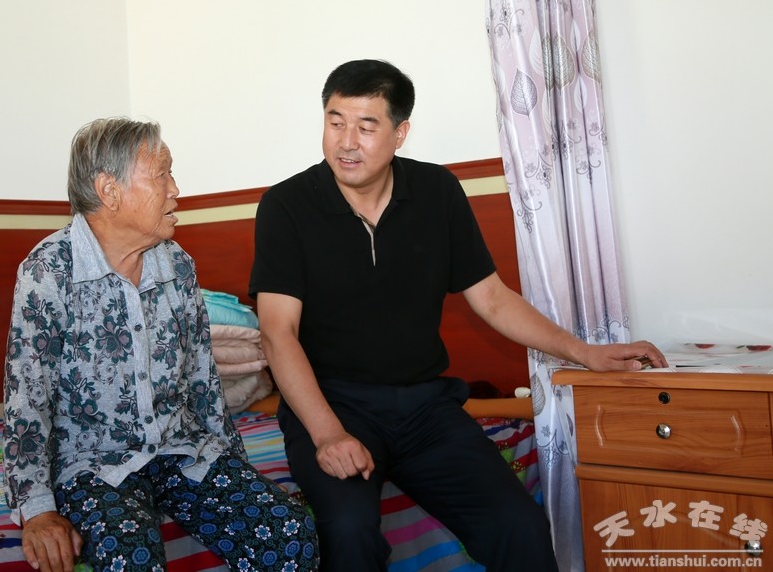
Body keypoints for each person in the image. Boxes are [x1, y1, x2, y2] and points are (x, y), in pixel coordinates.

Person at [248, 60, 668, 572]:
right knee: (347, 532)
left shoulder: (437, 191)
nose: (346, 142)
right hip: (335, 403)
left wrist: (585, 353)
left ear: (400, 133)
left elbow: (491, 298)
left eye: (366, 126)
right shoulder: (287, 206)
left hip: (426, 410)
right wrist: (327, 434)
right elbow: (278, 332)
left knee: (519, 525)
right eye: (335, 123)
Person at [2, 117, 318, 572]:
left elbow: (203, 381)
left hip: (180, 450)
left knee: (291, 534)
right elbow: (27, 398)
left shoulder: (177, 265)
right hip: (92, 464)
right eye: (162, 175)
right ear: (109, 191)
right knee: (131, 555)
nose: (176, 189)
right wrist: (37, 510)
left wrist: (235, 469)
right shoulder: (48, 271)